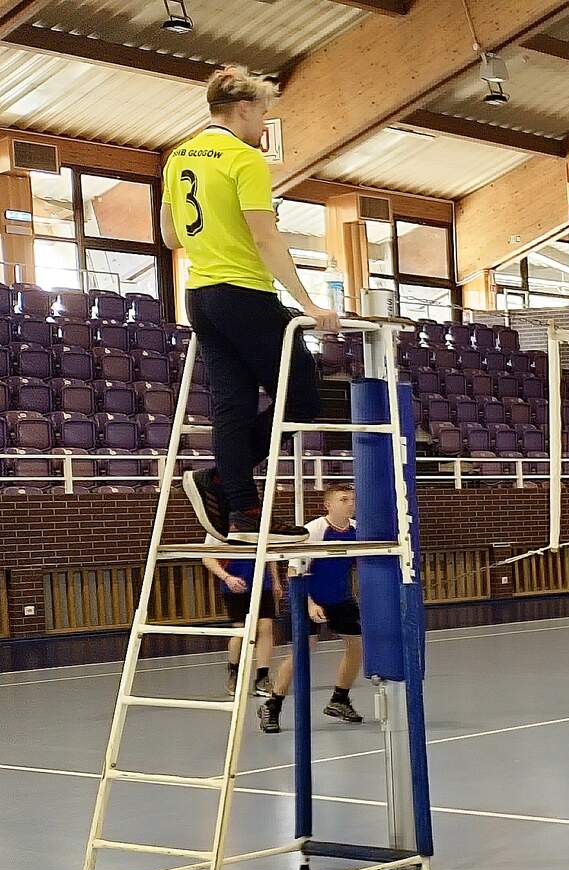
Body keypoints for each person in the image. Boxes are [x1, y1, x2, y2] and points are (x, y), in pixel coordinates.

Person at [162, 65, 339, 546]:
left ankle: (241, 510)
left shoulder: (178, 157)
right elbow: (265, 238)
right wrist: (309, 304)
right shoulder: (244, 159)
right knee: (303, 399)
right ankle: (222, 479)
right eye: (262, 114)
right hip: (245, 292)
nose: (263, 126)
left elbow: (171, 235)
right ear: (243, 108)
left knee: (233, 406)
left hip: (200, 295)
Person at [259, 485, 364, 734]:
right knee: (302, 651)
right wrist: (309, 603)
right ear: (328, 505)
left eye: (352, 499)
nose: (350, 504)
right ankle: (272, 705)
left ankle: (339, 699)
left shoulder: (357, 529)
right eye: (344, 499)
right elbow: (294, 570)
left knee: (357, 645)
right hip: (306, 596)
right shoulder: (314, 530)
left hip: (339, 598)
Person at [202, 538, 281, 696]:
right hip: (235, 586)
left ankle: (262, 678)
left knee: (266, 627)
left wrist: (275, 581)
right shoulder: (220, 528)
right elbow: (207, 557)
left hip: (261, 584)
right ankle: (234, 673)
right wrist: (227, 577)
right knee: (241, 631)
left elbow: (269, 552)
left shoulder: (262, 525)